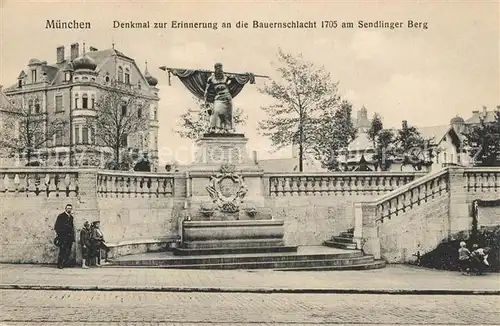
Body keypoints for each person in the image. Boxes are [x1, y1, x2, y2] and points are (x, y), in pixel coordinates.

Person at [54, 204, 75, 269]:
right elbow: (56, 227)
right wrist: (60, 235)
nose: (69, 209)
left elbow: (72, 228)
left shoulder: (71, 217)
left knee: (68, 251)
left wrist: (72, 237)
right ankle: (60, 264)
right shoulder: (61, 216)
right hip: (63, 237)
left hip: (69, 237)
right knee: (62, 251)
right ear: (65, 209)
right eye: (68, 208)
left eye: (70, 208)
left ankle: (65, 263)